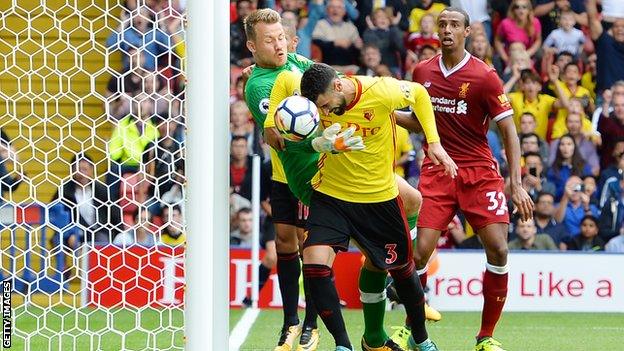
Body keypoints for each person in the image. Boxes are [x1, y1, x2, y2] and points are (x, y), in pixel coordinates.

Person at [400, 8, 534, 351]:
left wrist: (515, 183)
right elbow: (420, 121)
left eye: (453, 25)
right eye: (442, 24)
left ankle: (485, 336)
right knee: (418, 254)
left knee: (499, 249)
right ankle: (412, 331)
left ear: (467, 32)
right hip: (438, 170)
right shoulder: (422, 71)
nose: (446, 30)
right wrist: (386, 113)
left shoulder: (484, 76)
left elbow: (509, 130)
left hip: (479, 172)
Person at [298, 62, 456, 351]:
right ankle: (343, 345)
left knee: (402, 271)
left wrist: (434, 143)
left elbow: (419, 93)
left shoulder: (380, 90)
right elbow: (299, 141)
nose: (323, 113)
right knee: (314, 265)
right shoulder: (311, 109)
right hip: (332, 195)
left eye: (324, 105)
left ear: (337, 86)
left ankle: (420, 340)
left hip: (379, 199)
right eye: (318, 109)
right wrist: (321, 143)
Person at [53, 154, 121, 245]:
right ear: (72, 171)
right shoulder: (64, 191)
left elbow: (114, 213)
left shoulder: (101, 190)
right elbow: (54, 213)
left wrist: (119, 234)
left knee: (103, 242)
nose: (81, 174)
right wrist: (68, 234)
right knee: (59, 241)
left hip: (98, 231)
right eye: (78, 170)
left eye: (85, 170)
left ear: (91, 170)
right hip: (74, 232)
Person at [586, 0, 624, 96]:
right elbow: (592, 18)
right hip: (606, 95)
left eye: (623, 27)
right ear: (611, 29)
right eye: (617, 26)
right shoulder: (604, 42)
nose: (620, 29)